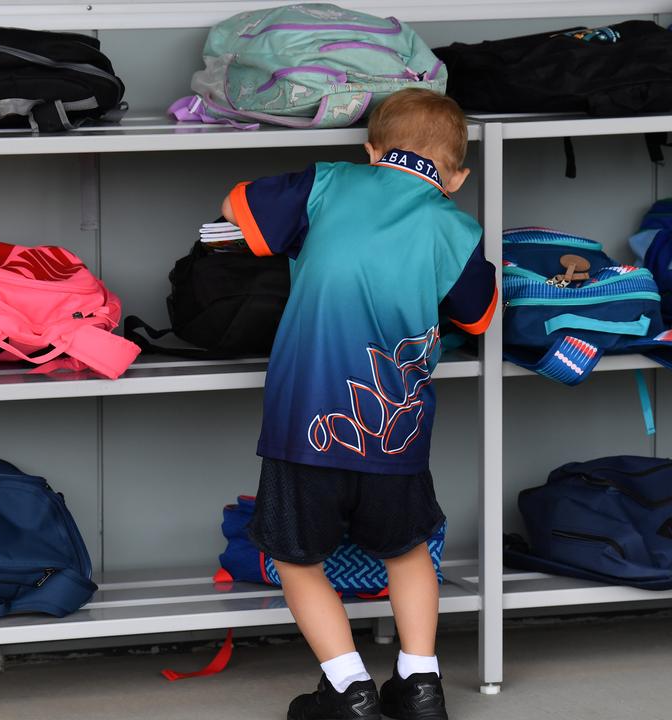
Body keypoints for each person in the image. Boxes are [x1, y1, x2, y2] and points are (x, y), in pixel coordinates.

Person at [221, 88, 497, 720]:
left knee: (295, 557)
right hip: (396, 428)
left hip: (304, 426)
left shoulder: (329, 183)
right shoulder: (454, 223)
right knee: (407, 552)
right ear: (457, 177)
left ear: (372, 150)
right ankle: (421, 686)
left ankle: (350, 689)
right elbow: (478, 317)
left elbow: (237, 205)